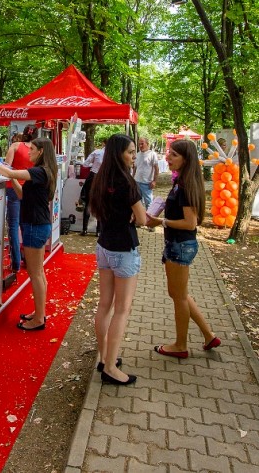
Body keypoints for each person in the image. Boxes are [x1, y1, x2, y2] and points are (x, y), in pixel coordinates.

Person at [146, 139, 221, 358]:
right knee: (180, 294)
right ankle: (208, 335)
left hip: (180, 245)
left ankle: (180, 346)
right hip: (177, 244)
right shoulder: (182, 182)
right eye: (169, 153)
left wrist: (161, 222)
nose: (168, 158)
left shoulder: (186, 185)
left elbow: (190, 223)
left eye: (174, 155)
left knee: (178, 297)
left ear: (186, 159)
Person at [89, 134, 146, 386]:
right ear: (118, 153)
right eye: (130, 152)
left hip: (104, 246)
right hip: (123, 249)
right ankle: (110, 367)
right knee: (122, 309)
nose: (134, 156)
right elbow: (143, 219)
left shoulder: (100, 179)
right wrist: (136, 216)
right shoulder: (127, 183)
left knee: (105, 304)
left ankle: (104, 358)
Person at [0, 137, 58, 331]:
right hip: (36, 224)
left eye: (32, 149)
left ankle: (39, 319)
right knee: (38, 273)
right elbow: (21, 194)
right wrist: (11, 177)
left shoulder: (39, 171)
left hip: (35, 226)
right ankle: (39, 313)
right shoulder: (42, 171)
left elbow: (10, 171)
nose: (28, 152)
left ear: (41, 151)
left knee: (35, 274)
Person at [4, 125, 38, 273]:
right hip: (30, 190)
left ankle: (16, 263)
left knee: (13, 225)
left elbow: (6, 167)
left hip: (13, 188)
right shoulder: (38, 150)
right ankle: (29, 260)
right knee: (26, 225)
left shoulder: (15, 146)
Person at [78, 140, 106, 236]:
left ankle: (84, 229)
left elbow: (85, 164)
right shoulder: (112, 155)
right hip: (104, 178)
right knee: (100, 203)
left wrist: (93, 165)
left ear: (103, 144)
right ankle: (98, 231)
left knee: (88, 202)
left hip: (93, 176)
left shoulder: (97, 152)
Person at [133, 137, 159, 212]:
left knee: (149, 202)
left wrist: (154, 181)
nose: (140, 146)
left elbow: (156, 169)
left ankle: (149, 217)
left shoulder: (152, 154)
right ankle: (140, 217)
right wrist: (132, 178)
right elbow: (135, 168)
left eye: (142, 143)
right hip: (137, 181)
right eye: (139, 144)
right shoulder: (137, 155)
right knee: (138, 202)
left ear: (147, 144)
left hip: (147, 183)